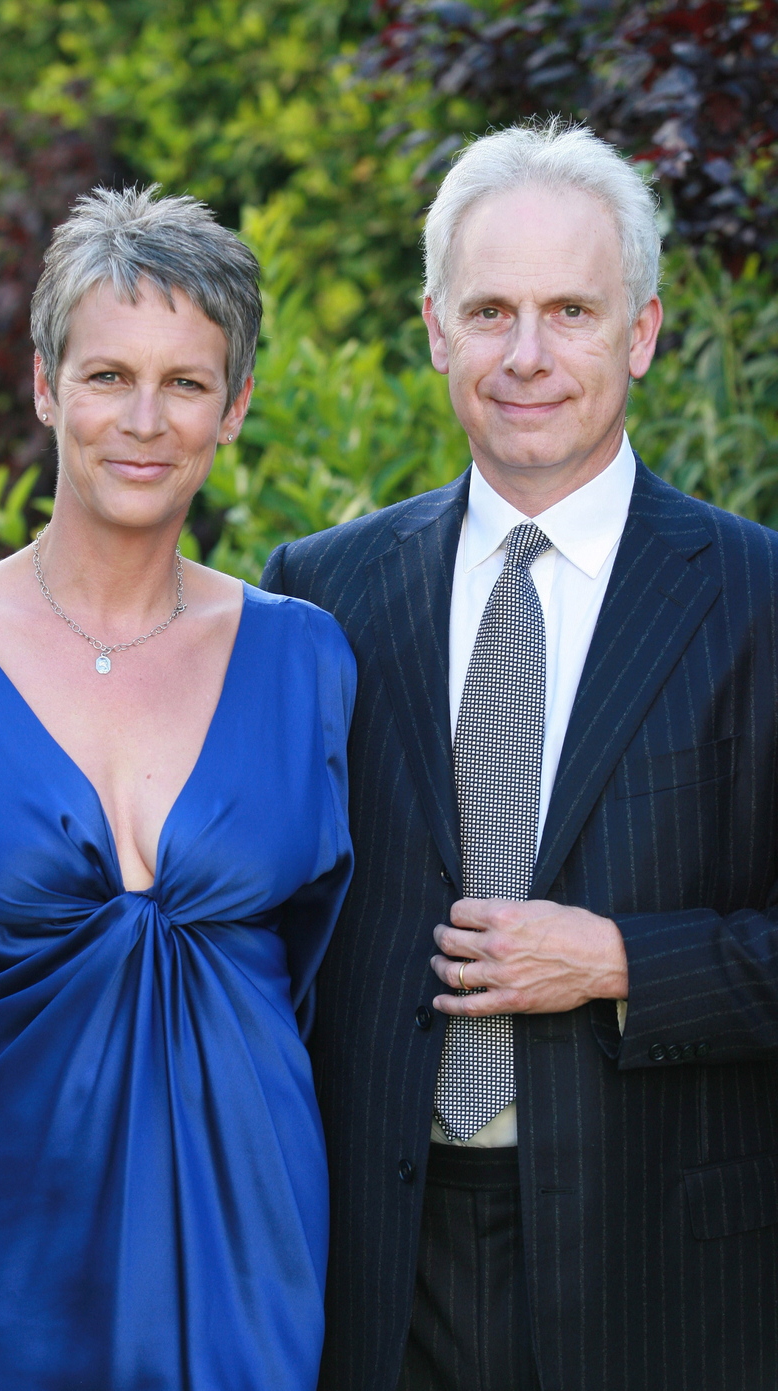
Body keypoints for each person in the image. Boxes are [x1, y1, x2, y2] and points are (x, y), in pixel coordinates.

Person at [262, 120, 778, 1391]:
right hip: (379, 1265)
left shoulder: (757, 597)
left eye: (570, 312)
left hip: (661, 1270)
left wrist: (620, 960)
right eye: (490, 310)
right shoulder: (320, 596)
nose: (527, 354)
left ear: (640, 333)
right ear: (436, 330)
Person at [0, 186, 355, 1390]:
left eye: (185, 382)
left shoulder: (305, 659)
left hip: (255, 1243)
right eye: (107, 375)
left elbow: (318, 966)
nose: (143, 419)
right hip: (6, 1249)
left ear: (234, 407)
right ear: (45, 385)